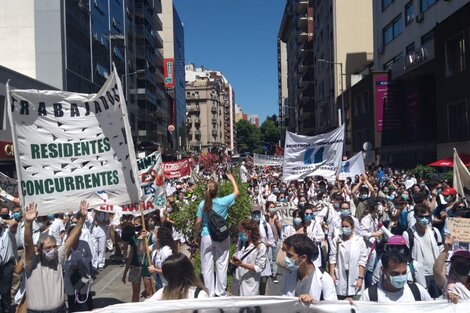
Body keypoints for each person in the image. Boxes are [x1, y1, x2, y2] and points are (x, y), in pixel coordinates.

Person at [23, 201, 89, 313]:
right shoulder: (32, 262)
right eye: (48, 248)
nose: (52, 250)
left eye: (54, 246)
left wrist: (82, 219)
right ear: (40, 249)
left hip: (60, 310)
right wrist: (28, 223)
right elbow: (28, 243)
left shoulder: (58, 257)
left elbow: (72, 237)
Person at [195, 173, 239, 297]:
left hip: (206, 236)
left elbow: (198, 222)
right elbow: (236, 192)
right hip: (221, 236)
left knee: (206, 264)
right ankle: (220, 291)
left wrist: (196, 234)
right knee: (222, 262)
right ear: (217, 190)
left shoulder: (202, 204)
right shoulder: (224, 201)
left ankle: (209, 291)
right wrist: (232, 179)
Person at [402, 203, 443, 298]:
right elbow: (406, 257)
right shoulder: (408, 234)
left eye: (427, 216)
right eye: (421, 216)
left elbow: (441, 251)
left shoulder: (435, 232)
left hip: (436, 274)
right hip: (419, 275)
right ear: (415, 216)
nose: (424, 219)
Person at [282, 234, 337, 303]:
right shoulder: (289, 275)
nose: (286, 259)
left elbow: (331, 308)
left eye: (290, 255)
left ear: (303, 258)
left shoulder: (325, 279)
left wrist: (314, 303)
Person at [360, 249, 431, 302]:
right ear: (384, 270)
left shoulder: (417, 291)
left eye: (404, 273)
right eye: (395, 273)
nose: (401, 276)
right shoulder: (370, 295)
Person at [329, 216, 368, 300]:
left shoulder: (359, 241)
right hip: (340, 274)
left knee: (356, 302)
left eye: (346, 226)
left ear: (352, 227)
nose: (344, 228)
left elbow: (362, 261)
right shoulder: (337, 240)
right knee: (341, 302)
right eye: (342, 226)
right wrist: (332, 275)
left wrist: (360, 278)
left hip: (355, 275)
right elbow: (332, 258)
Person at [231, 219, 268, 296]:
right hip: (237, 280)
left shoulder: (261, 246)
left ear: (249, 232)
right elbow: (237, 253)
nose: (240, 234)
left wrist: (241, 264)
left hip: (249, 284)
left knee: (247, 306)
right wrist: (233, 259)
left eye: (242, 232)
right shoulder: (241, 242)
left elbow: (259, 268)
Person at [63, 222, 93, 312]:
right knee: (71, 295)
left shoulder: (84, 244)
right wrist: (70, 266)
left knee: (85, 293)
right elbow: (62, 259)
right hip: (69, 274)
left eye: (78, 234)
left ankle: (90, 309)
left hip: (83, 273)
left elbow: (89, 256)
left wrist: (82, 263)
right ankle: (73, 310)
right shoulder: (65, 246)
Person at [433, 237, 470, 303]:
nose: (462, 265)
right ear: (453, 264)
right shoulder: (448, 283)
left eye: (466, 262)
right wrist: (446, 249)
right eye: (458, 262)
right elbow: (437, 271)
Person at [0, 211, 18, 313]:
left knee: (5, 290)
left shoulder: (8, 232)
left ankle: (6, 309)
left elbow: (14, 223)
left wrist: (3, 220)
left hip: (6, 265)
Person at [148, 226, 176, 290]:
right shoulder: (155, 246)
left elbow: (169, 270)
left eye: (155, 234)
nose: (153, 235)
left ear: (159, 238)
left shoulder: (166, 251)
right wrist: (141, 237)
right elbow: (142, 250)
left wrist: (155, 270)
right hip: (158, 283)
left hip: (167, 285)